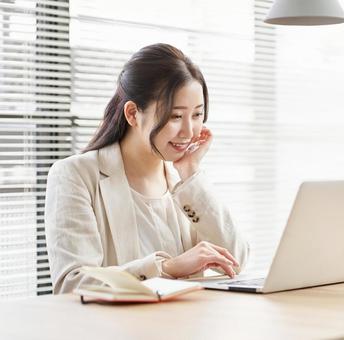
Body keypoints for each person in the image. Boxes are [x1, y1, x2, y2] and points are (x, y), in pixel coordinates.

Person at [44, 43, 250, 294]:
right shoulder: (76, 175)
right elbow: (71, 284)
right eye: (175, 116)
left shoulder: (184, 185)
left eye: (197, 115)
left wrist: (191, 173)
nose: (189, 131)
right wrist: (167, 268)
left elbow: (236, 260)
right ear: (132, 113)